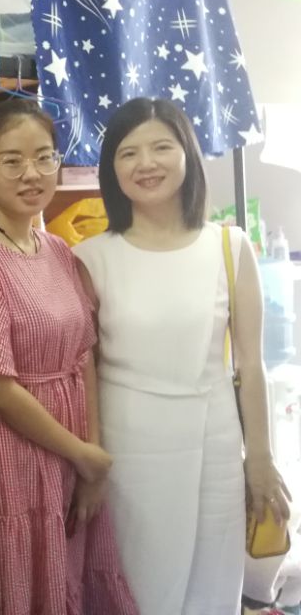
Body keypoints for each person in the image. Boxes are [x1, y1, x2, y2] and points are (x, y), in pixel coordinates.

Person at [73, 97, 291, 614]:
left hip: (215, 446)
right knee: (138, 587)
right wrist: (91, 460)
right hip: (128, 452)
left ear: (187, 154)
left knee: (211, 588)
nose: (146, 163)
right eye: (128, 153)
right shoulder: (89, 257)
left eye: (161, 147)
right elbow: (84, 371)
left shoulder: (229, 247)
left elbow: (250, 366)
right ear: (111, 169)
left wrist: (260, 460)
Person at [0, 99, 139, 614]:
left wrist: (90, 455)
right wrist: (81, 453)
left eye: (44, 157)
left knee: (68, 566)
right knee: (12, 577)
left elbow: (83, 356)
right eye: (12, 161)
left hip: (69, 442)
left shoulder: (59, 251)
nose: (32, 173)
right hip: (5, 448)